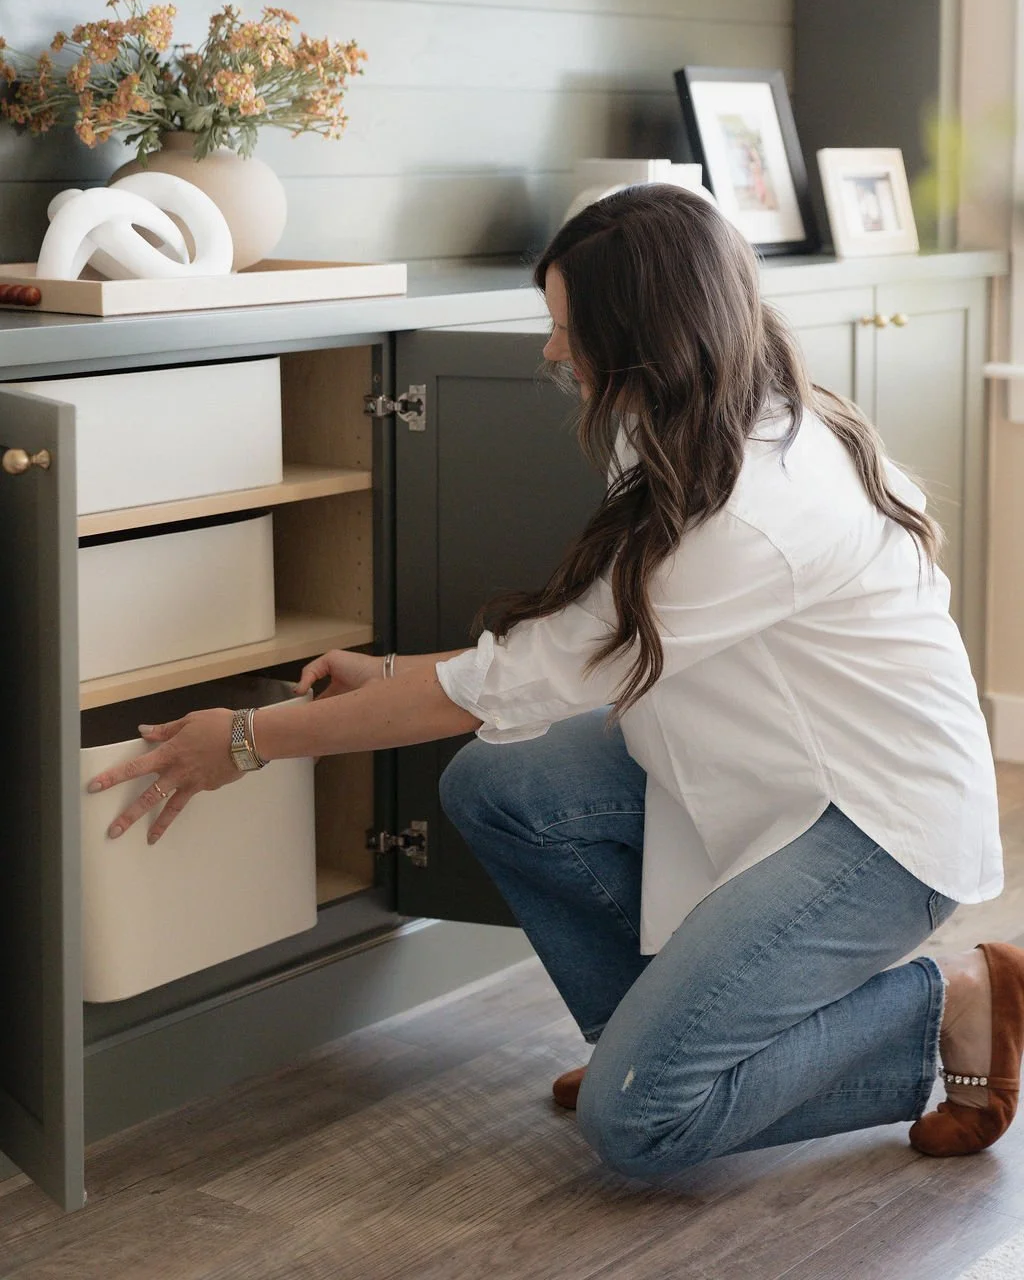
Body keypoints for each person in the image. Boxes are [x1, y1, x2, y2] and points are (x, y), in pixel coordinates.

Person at [89, 185, 1022, 1178]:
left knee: (639, 1126)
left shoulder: (752, 508)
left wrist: (244, 741)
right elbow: (583, 642)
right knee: (501, 783)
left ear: (645, 339)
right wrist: (399, 670)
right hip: (757, 760)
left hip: (874, 829)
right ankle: (652, 1045)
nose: (547, 351)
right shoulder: (678, 423)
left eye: (565, 328)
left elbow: (513, 684)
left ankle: (951, 1001)